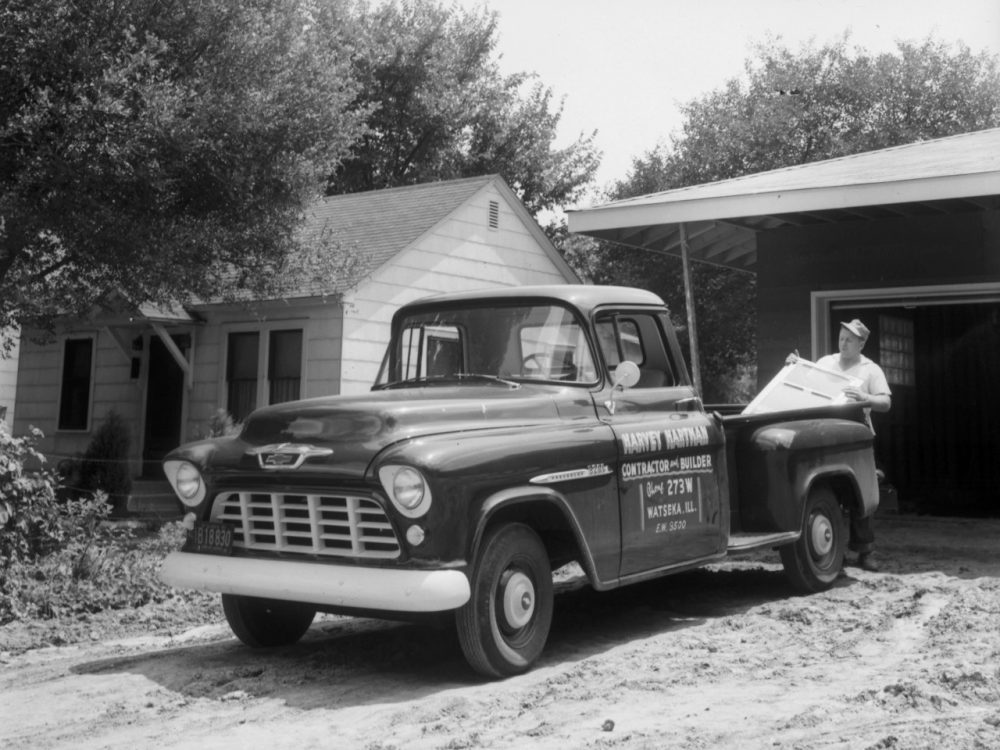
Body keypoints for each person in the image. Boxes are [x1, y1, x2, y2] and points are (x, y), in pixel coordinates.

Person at [787, 318, 891, 572]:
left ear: (862, 344)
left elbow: (886, 403)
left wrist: (865, 397)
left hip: (857, 435)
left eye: (850, 340)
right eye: (841, 338)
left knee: (861, 492)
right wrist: (793, 366)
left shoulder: (870, 369)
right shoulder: (825, 363)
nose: (843, 344)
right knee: (831, 491)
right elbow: (804, 385)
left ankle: (866, 552)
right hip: (824, 433)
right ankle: (835, 551)